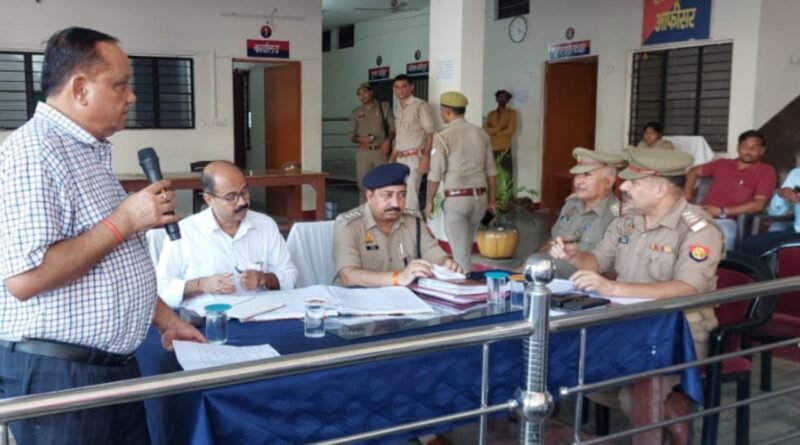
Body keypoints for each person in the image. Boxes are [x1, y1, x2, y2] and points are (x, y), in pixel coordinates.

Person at [0, 27, 204, 445]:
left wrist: (167, 320)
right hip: (62, 377)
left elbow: (111, 265)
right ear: (79, 88)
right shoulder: (33, 152)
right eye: (120, 84)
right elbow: (25, 278)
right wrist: (123, 222)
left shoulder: (88, 152)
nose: (132, 96)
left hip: (112, 369)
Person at [551, 147, 722, 445]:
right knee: (580, 373)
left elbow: (688, 287)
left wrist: (614, 288)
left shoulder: (698, 229)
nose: (624, 186)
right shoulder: (627, 221)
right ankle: (671, 412)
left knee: (636, 396)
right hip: (626, 321)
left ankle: (657, 422)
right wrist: (575, 255)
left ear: (660, 188)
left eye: (634, 182)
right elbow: (598, 262)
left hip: (678, 328)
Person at [157, 161, 298, 308]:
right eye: (231, 197)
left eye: (244, 192)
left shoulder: (265, 225)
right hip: (208, 319)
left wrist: (264, 278)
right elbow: (162, 288)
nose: (242, 202)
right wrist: (200, 284)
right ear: (209, 199)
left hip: (260, 314)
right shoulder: (185, 232)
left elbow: (290, 275)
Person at [334, 163, 463, 287]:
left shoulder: (414, 222)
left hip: (404, 300)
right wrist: (398, 278)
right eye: (387, 195)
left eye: (402, 195)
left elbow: (434, 254)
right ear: (370, 196)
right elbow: (348, 275)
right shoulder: (349, 225)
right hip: (358, 300)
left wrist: (446, 264)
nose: (395, 203)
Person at [424, 91, 497, 272]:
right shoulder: (481, 134)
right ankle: (467, 279)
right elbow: (491, 171)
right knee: (465, 248)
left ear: (447, 111)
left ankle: (464, 289)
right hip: (479, 200)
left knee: (460, 255)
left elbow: (435, 173)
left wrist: (429, 201)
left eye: (442, 110)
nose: (441, 113)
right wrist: (492, 201)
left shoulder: (442, 136)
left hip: (457, 200)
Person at [683, 129, 777, 251]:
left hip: (729, 220)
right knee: (670, 227)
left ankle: (724, 268)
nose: (748, 151)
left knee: (724, 232)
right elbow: (693, 171)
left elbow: (759, 204)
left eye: (754, 148)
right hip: (701, 214)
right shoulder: (722, 164)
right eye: (745, 146)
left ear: (762, 150)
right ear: (738, 147)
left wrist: (721, 212)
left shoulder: (766, 171)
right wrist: (687, 195)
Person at [539, 147, 623, 278]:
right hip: (547, 277)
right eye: (578, 174)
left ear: (608, 181)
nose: (578, 180)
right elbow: (552, 240)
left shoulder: (618, 216)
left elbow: (615, 270)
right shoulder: (571, 204)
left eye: (587, 174)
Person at [389, 74, 436, 210]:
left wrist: (426, 157)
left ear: (411, 88)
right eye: (397, 87)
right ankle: (403, 227)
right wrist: (392, 157)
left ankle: (413, 227)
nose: (401, 90)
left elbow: (430, 132)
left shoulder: (420, 105)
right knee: (400, 194)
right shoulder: (398, 108)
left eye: (404, 86)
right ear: (394, 89)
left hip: (414, 157)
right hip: (399, 157)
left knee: (410, 198)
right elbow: (400, 135)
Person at [350, 82, 395, 203]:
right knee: (363, 184)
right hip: (364, 153)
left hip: (381, 151)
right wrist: (360, 139)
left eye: (364, 92)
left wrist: (388, 141)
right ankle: (365, 214)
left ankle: (381, 211)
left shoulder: (384, 107)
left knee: (383, 184)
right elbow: (351, 135)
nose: (362, 96)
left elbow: (393, 128)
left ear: (371, 92)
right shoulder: (356, 112)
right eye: (359, 94)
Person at [741, 166, 800, 255]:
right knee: (749, 244)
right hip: (796, 233)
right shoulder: (797, 173)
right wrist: (781, 194)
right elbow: (774, 213)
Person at [483, 89, 517, 176]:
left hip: (505, 149)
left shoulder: (512, 113)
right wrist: (500, 128)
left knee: (507, 175)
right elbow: (485, 130)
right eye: (500, 97)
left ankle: (509, 191)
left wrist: (493, 131)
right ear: (496, 99)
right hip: (491, 149)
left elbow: (511, 130)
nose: (502, 99)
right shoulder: (491, 114)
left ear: (508, 100)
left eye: (505, 97)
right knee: (491, 175)